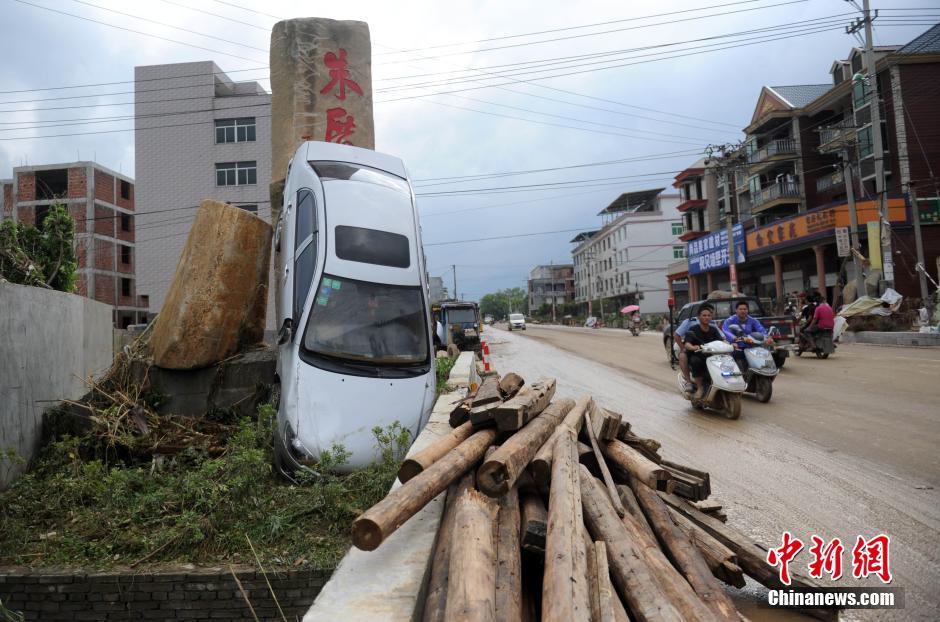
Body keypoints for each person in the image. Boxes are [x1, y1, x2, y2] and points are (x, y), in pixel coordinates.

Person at [680, 304, 726, 399]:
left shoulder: (713, 329)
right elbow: (687, 343)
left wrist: (729, 345)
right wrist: (693, 347)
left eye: (709, 315)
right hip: (698, 355)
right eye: (704, 315)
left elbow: (721, 341)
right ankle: (700, 388)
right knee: (695, 361)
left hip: (712, 355)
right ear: (699, 317)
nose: (706, 317)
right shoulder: (693, 329)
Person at [722, 300, 767, 365]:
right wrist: (734, 338)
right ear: (736, 310)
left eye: (745, 309)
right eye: (740, 309)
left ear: (747, 310)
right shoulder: (729, 321)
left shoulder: (753, 320)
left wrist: (765, 338)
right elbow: (726, 331)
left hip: (751, 346)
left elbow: (761, 330)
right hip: (736, 346)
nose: (743, 311)